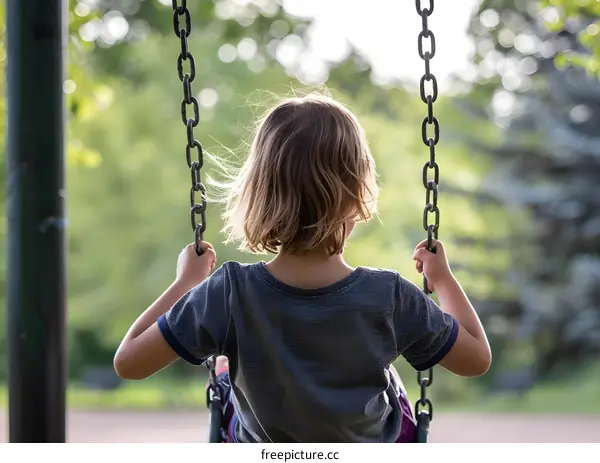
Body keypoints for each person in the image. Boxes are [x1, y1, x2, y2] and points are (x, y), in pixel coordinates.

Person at [113, 94, 491, 443]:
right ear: (358, 192)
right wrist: (441, 279)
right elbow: (476, 359)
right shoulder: (389, 296)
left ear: (258, 193)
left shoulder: (229, 290)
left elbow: (129, 362)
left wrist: (187, 283)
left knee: (228, 380)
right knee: (392, 387)